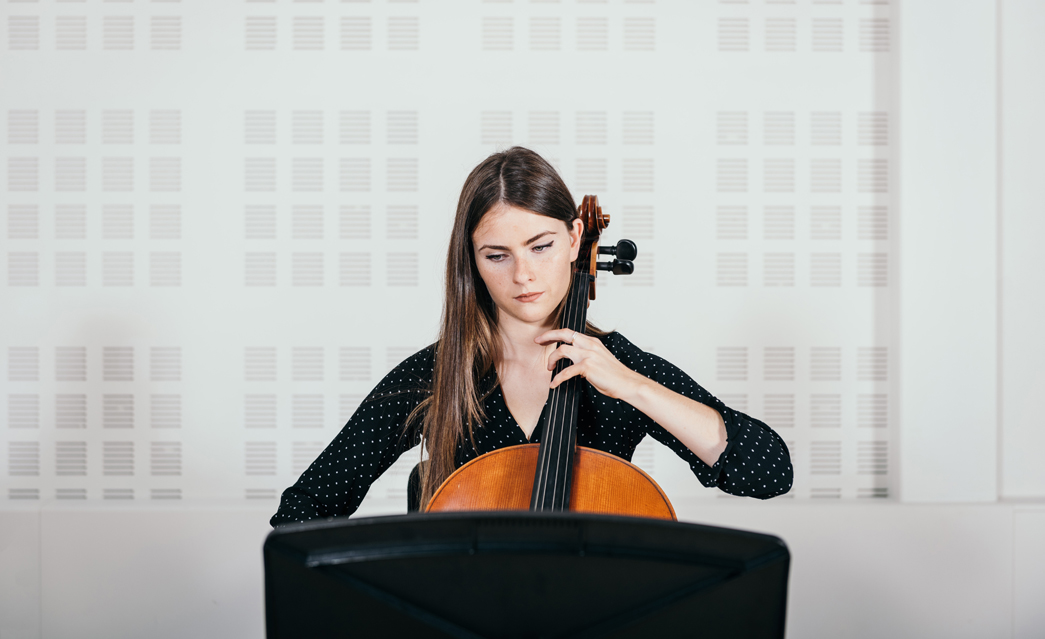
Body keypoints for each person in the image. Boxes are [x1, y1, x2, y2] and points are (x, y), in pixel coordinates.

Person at [270, 147, 792, 527]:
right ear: (471, 263)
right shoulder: (437, 376)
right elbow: (301, 512)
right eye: (497, 255)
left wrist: (632, 386)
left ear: (574, 240)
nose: (523, 275)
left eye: (540, 246)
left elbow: (769, 471)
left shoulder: (617, 367)